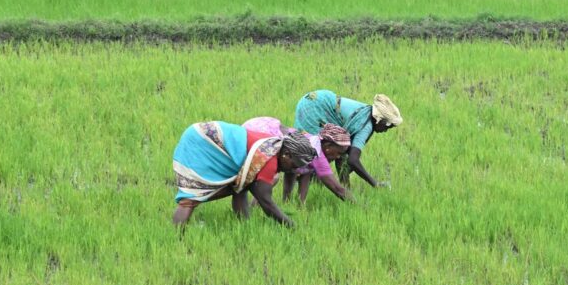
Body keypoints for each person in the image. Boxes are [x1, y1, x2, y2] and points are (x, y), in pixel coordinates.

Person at [172, 121, 316, 227]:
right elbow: (266, 202)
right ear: (287, 154)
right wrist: (291, 225)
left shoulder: (274, 145)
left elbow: (244, 186)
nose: (293, 170)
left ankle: (243, 226)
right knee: (191, 197)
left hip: (205, 134)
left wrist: (246, 228)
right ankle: (176, 238)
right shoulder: (269, 160)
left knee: (240, 187)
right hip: (204, 141)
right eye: (294, 165)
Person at [293, 90, 402, 187]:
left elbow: (344, 154)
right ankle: (303, 183)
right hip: (315, 108)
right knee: (314, 150)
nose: (386, 130)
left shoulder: (365, 112)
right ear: (379, 120)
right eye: (387, 127)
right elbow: (353, 160)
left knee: (334, 151)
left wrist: (345, 185)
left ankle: (336, 185)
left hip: (313, 100)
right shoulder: (366, 126)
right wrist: (374, 183)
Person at [242, 117, 352, 203]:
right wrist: (359, 206)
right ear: (328, 146)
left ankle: (285, 203)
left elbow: (297, 171)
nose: (338, 157)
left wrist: (300, 203)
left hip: (262, 126)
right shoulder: (318, 156)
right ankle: (254, 206)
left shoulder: (311, 143)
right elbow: (338, 189)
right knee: (271, 177)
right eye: (338, 153)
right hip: (261, 133)